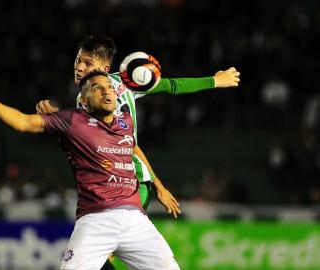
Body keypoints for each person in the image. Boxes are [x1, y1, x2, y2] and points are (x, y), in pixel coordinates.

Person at [0, 71, 180, 270]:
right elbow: (23, 122)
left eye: (109, 86)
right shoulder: (72, 121)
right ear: (84, 101)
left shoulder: (126, 122)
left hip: (135, 220)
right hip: (96, 220)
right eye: (97, 87)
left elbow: (133, 148)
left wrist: (158, 185)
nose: (106, 90)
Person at [36, 34, 241, 216]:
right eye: (79, 60)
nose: (80, 67)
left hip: (128, 183)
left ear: (104, 69)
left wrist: (157, 184)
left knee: (111, 246)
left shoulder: (94, 101)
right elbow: (171, 86)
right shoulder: (126, 81)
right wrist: (214, 81)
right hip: (116, 184)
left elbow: (127, 144)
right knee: (112, 248)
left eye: (88, 63)